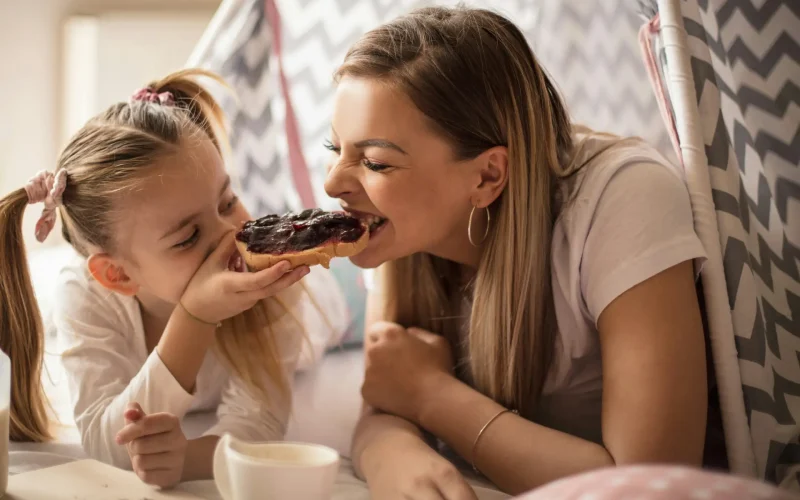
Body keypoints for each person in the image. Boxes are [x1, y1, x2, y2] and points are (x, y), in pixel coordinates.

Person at [322, 6, 718, 498]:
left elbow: (651, 482)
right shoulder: (401, 231)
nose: (333, 183)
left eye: (376, 162)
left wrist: (432, 396)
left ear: (488, 175)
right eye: (333, 147)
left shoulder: (625, 197)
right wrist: (387, 450)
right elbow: (387, 391)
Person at [0, 69, 347, 487]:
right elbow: (104, 440)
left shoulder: (276, 285)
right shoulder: (84, 294)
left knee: (349, 294)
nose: (229, 236)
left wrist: (187, 458)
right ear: (117, 274)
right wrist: (193, 318)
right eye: (188, 237)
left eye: (229, 201)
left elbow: (257, 431)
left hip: (329, 295)